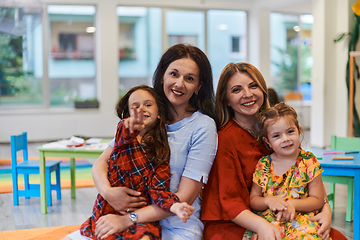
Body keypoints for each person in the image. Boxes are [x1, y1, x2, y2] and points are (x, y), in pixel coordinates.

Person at [71, 44, 218, 240]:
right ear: (161, 77)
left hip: (174, 225)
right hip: (120, 217)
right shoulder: (146, 115)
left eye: (189, 78)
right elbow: (101, 163)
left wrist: (128, 219)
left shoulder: (203, 126)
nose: (179, 84)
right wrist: (109, 193)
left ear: (199, 86)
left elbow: (184, 197)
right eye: (174, 74)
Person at [201, 62, 347, 240]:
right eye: (237, 90)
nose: (248, 94)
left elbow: (307, 177)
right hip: (235, 222)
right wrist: (264, 226)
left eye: (253, 85)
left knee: (336, 236)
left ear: (263, 90)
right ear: (226, 100)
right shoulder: (225, 139)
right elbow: (230, 204)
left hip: (285, 215)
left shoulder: (280, 128)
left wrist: (326, 210)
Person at [64, 85, 195, 240]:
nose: (142, 110)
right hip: (109, 210)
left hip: (140, 214)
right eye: (135, 107)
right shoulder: (123, 139)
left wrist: (176, 207)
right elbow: (124, 132)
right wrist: (130, 125)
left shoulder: (161, 153)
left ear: (159, 113)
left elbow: (159, 191)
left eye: (148, 105)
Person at [243, 102, 327, 239]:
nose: (285, 139)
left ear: (299, 130)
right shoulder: (263, 165)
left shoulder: (308, 161)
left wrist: (293, 204)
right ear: (267, 141)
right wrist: (268, 201)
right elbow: (253, 200)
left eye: (290, 131)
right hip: (270, 221)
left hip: (300, 220)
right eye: (276, 136)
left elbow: (318, 200)